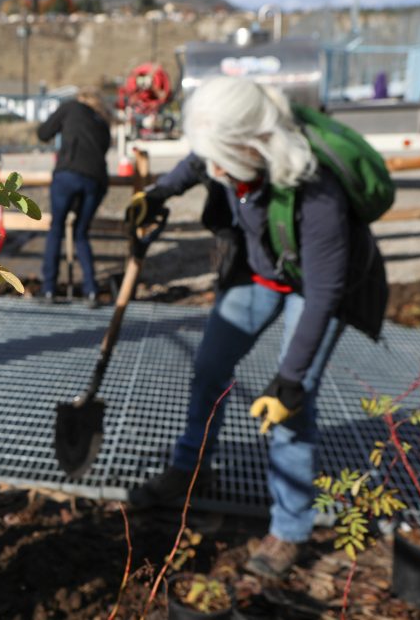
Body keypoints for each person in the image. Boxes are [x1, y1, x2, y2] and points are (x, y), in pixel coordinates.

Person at [125, 76, 387, 579]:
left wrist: (288, 378)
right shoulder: (228, 152)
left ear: (253, 145)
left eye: (224, 159)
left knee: (290, 406)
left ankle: (289, 529)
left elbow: (326, 292)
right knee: (209, 368)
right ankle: (190, 469)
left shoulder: (317, 193)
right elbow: (198, 162)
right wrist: (160, 193)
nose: (215, 169)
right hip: (261, 272)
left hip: (315, 291)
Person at [36, 86, 112, 305]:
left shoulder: (71, 107)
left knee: (56, 229)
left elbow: (43, 133)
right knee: (81, 232)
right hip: (96, 180)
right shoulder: (103, 121)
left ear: (81, 98)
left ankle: (49, 288)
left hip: (68, 174)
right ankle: (91, 290)